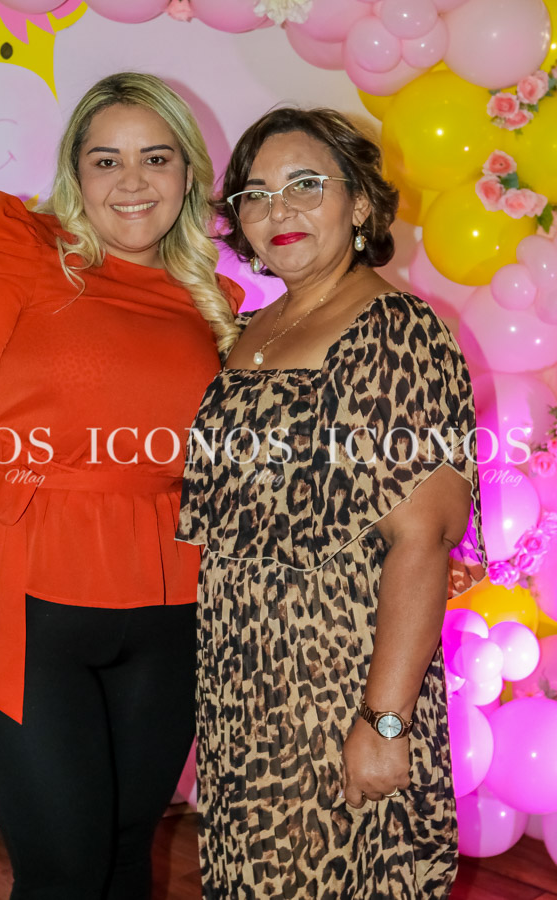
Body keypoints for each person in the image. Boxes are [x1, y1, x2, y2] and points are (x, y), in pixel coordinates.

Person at [0, 72, 242, 900]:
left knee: (123, 857)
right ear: (75, 173)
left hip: (168, 611)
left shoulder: (205, 300)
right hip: (17, 608)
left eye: (155, 158)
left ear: (188, 172)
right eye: (105, 160)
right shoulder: (14, 251)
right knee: (64, 872)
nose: (132, 181)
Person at [175, 107, 487, 899]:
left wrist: (384, 721)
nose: (277, 208)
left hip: (337, 677)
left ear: (360, 203)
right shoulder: (252, 329)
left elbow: (424, 536)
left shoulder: (397, 330)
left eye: (305, 184)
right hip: (244, 677)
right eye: (255, 193)